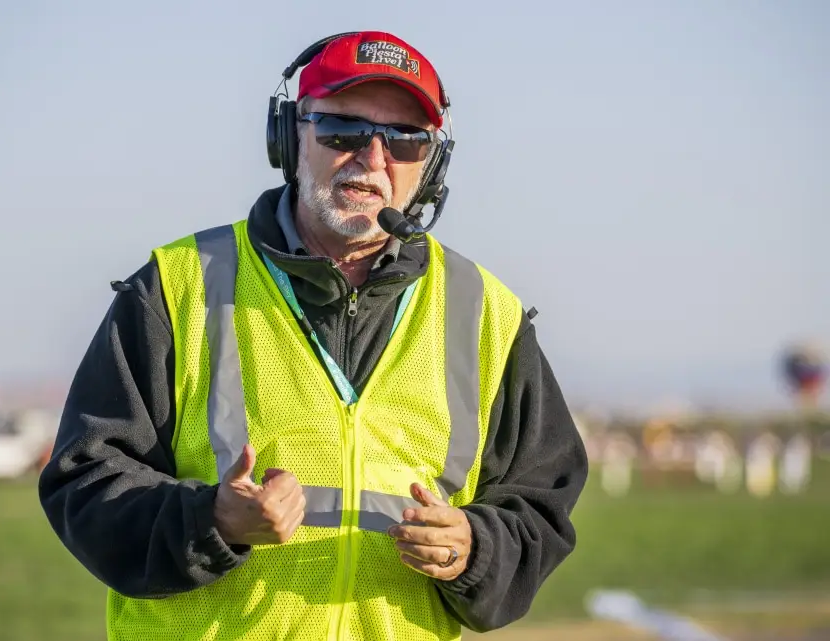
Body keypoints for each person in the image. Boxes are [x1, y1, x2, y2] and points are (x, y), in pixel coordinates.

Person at [39, 30, 588, 641]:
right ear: (289, 136)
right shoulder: (175, 288)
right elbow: (84, 481)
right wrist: (211, 520)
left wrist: (475, 549)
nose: (373, 158)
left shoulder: (488, 314)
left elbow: (541, 503)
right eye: (343, 129)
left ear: (433, 163)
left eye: (407, 139)